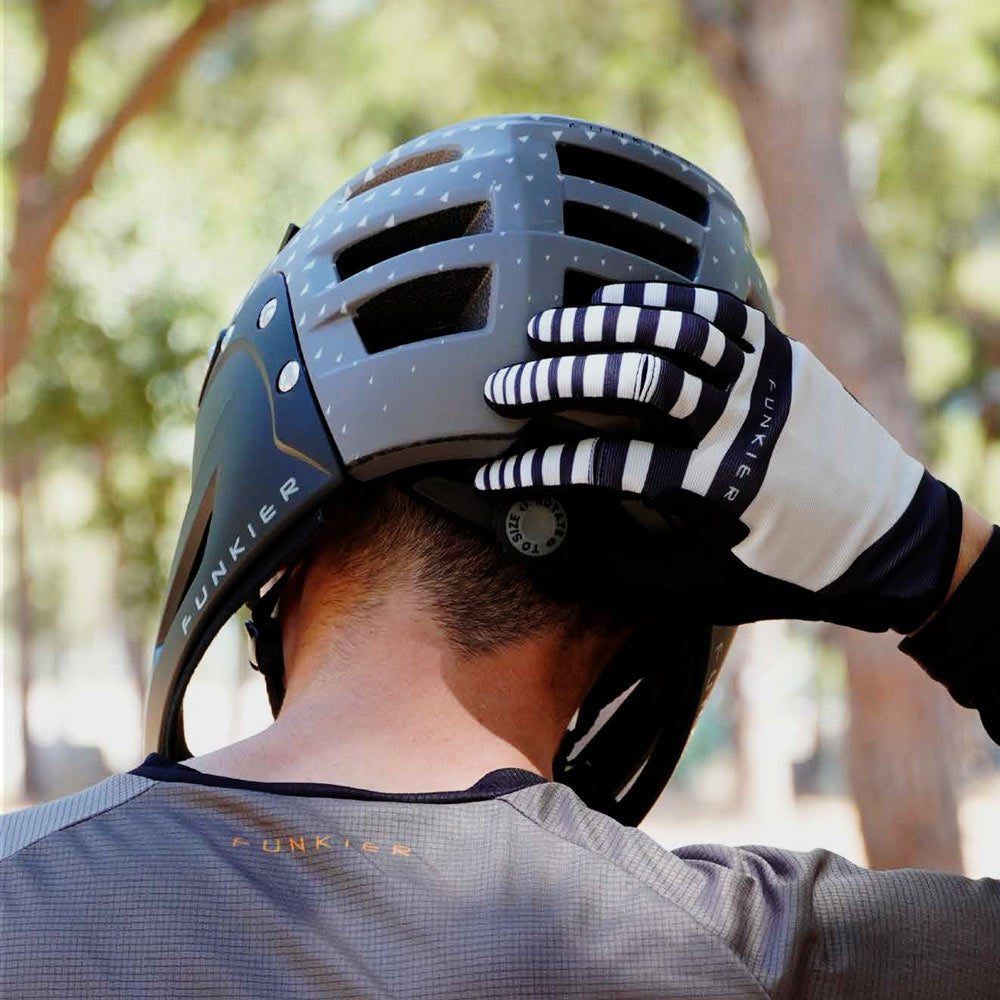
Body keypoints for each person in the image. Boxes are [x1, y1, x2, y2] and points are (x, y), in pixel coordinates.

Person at [2, 115, 997, 999]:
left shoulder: (22, 891)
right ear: (667, 602)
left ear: (264, 472)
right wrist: (936, 556)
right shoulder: (763, 952)